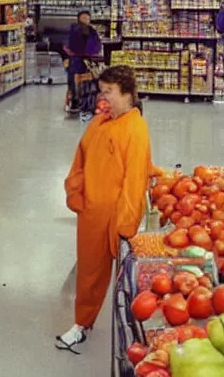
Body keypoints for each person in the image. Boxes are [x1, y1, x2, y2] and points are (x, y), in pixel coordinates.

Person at [56, 65, 154, 354]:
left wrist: (124, 225)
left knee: (123, 280)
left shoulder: (135, 129)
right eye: (102, 91)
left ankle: (133, 335)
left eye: (109, 91)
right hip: (91, 212)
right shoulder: (99, 122)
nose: (103, 97)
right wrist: (74, 191)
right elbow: (81, 156)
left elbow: (134, 179)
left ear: (127, 95)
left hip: (114, 216)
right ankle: (81, 324)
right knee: (89, 272)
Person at [65, 11, 102, 111]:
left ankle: (90, 100)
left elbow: (97, 44)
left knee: (94, 76)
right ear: (79, 19)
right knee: (73, 77)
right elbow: (68, 44)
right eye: (84, 18)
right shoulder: (74, 30)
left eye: (87, 18)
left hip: (89, 60)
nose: (86, 20)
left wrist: (94, 53)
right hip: (76, 59)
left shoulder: (92, 31)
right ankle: (75, 99)